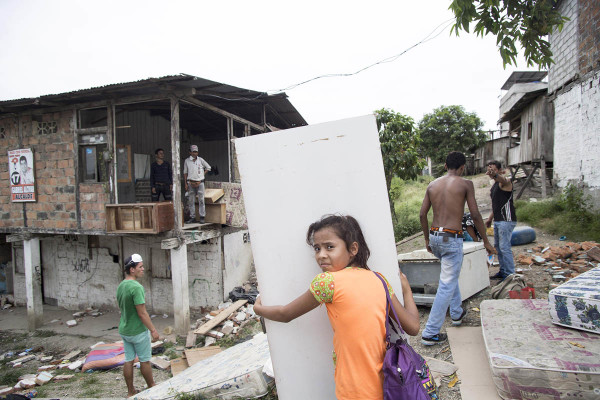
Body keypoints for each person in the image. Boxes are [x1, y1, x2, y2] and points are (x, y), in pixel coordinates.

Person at [254, 215, 420, 400]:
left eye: (329, 247)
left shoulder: (327, 282)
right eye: (317, 248)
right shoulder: (379, 279)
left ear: (353, 249)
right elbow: (413, 327)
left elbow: (285, 313)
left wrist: (258, 309)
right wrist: (406, 291)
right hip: (390, 384)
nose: (321, 255)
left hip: (354, 388)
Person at [419, 151, 495, 346]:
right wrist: (485, 241)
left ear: (445, 166)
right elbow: (476, 215)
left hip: (435, 236)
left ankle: (456, 313)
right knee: (446, 284)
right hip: (451, 238)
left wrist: (427, 239)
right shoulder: (466, 184)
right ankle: (430, 332)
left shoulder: (432, 185)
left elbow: (422, 214)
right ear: (462, 167)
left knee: (449, 276)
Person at [116, 254, 160, 397]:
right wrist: (153, 330)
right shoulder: (136, 287)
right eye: (140, 267)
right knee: (145, 360)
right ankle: (151, 386)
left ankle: (130, 392)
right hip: (138, 331)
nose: (143, 269)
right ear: (132, 269)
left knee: (128, 360)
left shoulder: (121, 285)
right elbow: (142, 313)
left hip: (125, 329)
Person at [485, 160, 517, 281]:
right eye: (489, 168)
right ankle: (503, 271)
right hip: (498, 220)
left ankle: (510, 274)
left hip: (507, 219)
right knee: (498, 247)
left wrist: (495, 175)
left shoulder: (505, 182)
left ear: (498, 170)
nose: (490, 170)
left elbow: (503, 180)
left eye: (492, 168)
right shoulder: (494, 186)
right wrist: (490, 219)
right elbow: (497, 205)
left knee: (504, 247)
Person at [183, 145, 211, 224]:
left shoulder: (200, 160)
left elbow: (208, 167)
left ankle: (202, 217)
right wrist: (185, 183)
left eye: (196, 152)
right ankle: (192, 217)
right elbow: (185, 173)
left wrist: (202, 175)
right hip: (190, 182)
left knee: (201, 200)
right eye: (193, 152)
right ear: (190, 152)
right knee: (191, 200)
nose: (195, 153)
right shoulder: (187, 161)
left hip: (200, 182)